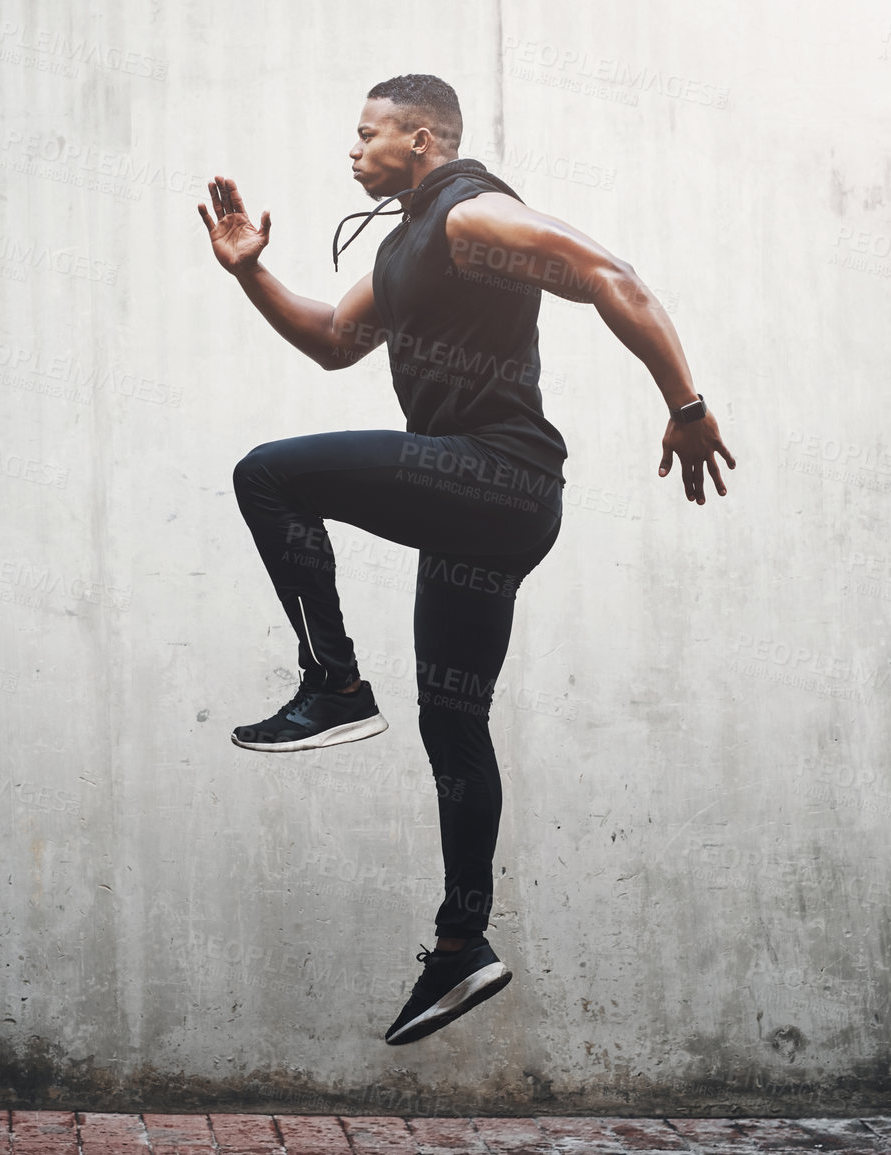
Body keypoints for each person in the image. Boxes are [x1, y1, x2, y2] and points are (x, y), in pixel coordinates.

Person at [198, 73, 734, 1046]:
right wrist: (249, 272)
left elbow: (614, 277)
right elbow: (330, 341)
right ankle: (461, 947)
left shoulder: (473, 215)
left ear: (423, 139)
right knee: (453, 724)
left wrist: (685, 404)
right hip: (478, 509)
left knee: (269, 475)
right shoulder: (408, 245)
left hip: (499, 476)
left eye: (369, 135)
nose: (352, 151)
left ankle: (333, 685)